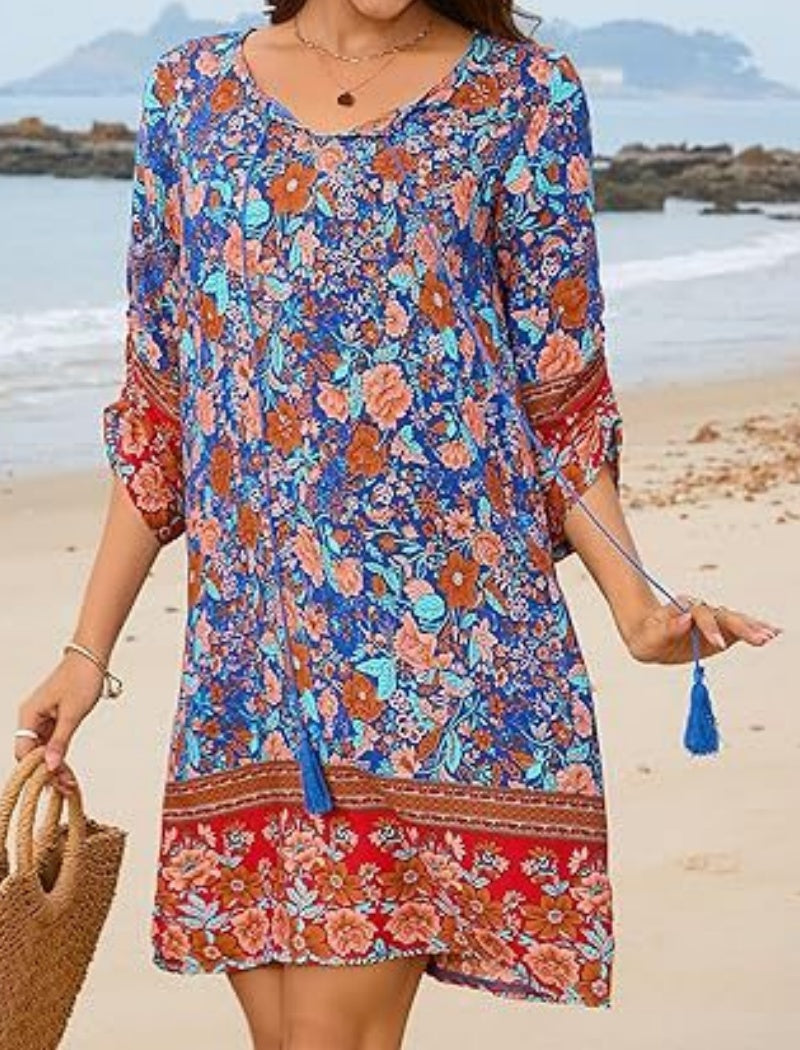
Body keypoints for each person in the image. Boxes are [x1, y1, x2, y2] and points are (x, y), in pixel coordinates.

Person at [13, 2, 782, 1047]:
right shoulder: (188, 96)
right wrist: (83, 653)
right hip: (252, 666)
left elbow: (560, 392)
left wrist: (635, 607)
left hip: (438, 650)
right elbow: (161, 403)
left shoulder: (522, 97)